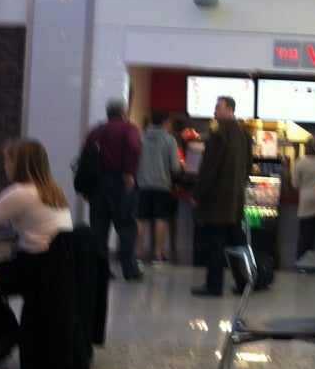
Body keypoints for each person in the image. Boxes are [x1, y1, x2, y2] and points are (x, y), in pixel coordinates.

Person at [190, 95, 253, 296]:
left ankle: (214, 284)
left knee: (214, 243)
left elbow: (209, 166)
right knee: (237, 241)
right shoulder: (243, 133)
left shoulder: (219, 132)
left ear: (229, 110)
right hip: (235, 200)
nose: (215, 111)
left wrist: (197, 193)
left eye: (218, 107)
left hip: (217, 200)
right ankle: (245, 281)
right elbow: (248, 164)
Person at [0, 138, 73, 294]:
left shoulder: (21, 192)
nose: (5, 167)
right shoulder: (54, 191)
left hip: (33, 266)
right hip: (57, 265)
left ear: (17, 165)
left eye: (7, 162)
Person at [82, 97, 143, 281]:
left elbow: (85, 155)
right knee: (126, 228)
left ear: (108, 113)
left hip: (98, 184)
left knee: (99, 229)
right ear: (124, 113)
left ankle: (101, 270)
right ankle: (130, 270)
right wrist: (129, 172)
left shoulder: (96, 130)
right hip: (121, 182)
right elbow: (134, 146)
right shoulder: (129, 128)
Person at [135, 110, 181, 265]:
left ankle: (137, 253)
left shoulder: (141, 137)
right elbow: (175, 167)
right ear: (164, 122)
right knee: (160, 219)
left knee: (141, 219)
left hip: (142, 184)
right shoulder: (170, 140)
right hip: (162, 185)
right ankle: (158, 254)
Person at [291, 134, 315, 261]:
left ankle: (302, 266)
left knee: (305, 239)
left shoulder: (300, 162)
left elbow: (295, 184)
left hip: (306, 204)